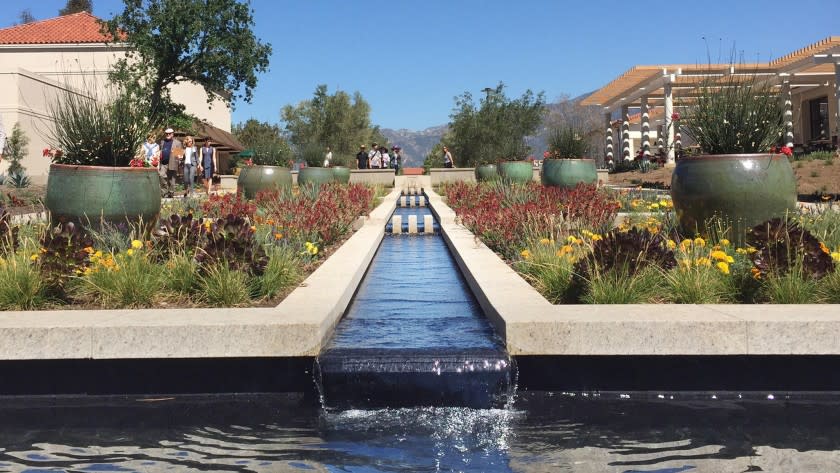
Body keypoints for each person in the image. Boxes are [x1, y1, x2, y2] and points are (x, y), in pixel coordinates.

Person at [158, 128, 183, 198]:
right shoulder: (162, 142)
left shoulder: (177, 143)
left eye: (169, 133)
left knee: (172, 180)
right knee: (161, 176)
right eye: (166, 134)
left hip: (173, 162)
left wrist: (179, 157)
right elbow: (160, 151)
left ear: (172, 134)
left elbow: (179, 155)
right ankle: (164, 192)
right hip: (163, 163)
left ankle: (171, 193)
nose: (168, 135)